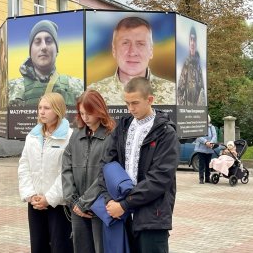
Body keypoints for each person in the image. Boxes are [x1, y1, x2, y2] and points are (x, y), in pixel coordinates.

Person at [98, 77, 179, 253]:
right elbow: (106, 165)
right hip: (121, 215)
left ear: (150, 99)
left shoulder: (166, 133)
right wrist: (109, 200)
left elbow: (160, 178)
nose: (130, 108)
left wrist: (125, 204)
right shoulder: (122, 127)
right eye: (127, 103)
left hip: (152, 217)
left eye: (135, 103)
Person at [18, 92, 73, 253]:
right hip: (35, 203)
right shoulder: (32, 136)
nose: (41, 112)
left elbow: (67, 172)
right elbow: (24, 166)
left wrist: (49, 198)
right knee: (38, 247)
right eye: (40, 107)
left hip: (59, 204)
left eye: (47, 108)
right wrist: (30, 194)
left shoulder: (69, 137)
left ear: (58, 110)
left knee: (60, 247)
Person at [62, 90, 116, 253]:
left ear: (99, 110)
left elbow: (107, 173)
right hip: (77, 207)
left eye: (89, 112)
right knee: (81, 248)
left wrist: (85, 202)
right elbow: (66, 167)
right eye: (82, 113)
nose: (85, 117)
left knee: (101, 248)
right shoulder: (76, 135)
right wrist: (73, 201)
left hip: (99, 205)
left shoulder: (111, 136)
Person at [89, 16, 175, 105]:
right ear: (114, 50)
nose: (132, 52)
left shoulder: (173, 93)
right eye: (125, 43)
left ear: (151, 51)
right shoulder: (93, 95)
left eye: (140, 44)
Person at [9, 19, 83, 106]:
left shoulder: (77, 86)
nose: (43, 47)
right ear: (30, 51)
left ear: (57, 50)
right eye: (37, 42)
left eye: (48, 41)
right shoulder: (11, 88)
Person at [177, 26, 205, 106]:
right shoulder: (186, 64)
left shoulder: (199, 65)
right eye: (191, 40)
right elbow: (179, 91)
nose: (192, 43)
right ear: (189, 42)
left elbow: (202, 90)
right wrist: (183, 108)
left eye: (194, 40)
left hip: (197, 111)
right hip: (187, 109)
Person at [194, 115, 217, 184]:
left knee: (208, 164)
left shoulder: (212, 127)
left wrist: (212, 143)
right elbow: (198, 136)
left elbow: (214, 136)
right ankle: (201, 179)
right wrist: (206, 142)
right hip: (201, 149)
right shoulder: (199, 127)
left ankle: (207, 178)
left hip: (209, 149)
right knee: (201, 164)